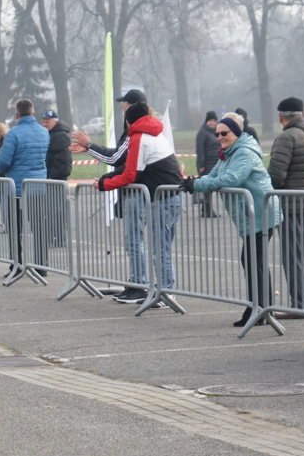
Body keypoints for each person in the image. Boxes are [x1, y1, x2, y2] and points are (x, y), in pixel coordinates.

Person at [182, 112, 282, 327]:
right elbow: (214, 175)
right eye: (217, 134)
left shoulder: (243, 152)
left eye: (224, 133)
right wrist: (197, 181)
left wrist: (198, 186)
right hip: (251, 213)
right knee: (253, 261)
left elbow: (231, 179)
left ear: (235, 133)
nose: (219, 137)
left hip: (261, 212)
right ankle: (260, 308)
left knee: (253, 260)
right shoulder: (228, 153)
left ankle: (260, 309)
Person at [95, 103, 182, 308]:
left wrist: (103, 183)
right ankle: (162, 290)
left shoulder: (138, 138)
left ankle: (167, 293)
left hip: (163, 199)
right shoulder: (154, 134)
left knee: (160, 250)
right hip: (166, 197)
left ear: (127, 121)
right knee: (160, 249)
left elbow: (131, 174)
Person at [70, 89, 147, 300]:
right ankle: (135, 283)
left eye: (125, 104)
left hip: (137, 192)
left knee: (135, 241)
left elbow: (116, 159)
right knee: (132, 241)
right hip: (132, 191)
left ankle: (140, 285)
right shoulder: (133, 131)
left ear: (132, 106)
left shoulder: (137, 132)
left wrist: (89, 146)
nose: (122, 107)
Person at [267, 96, 304, 318]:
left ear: (281, 117)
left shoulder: (286, 137)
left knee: (293, 256)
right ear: (303, 114)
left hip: (292, 206)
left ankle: (299, 305)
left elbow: (276, 175)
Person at [0, 98, 50, 275]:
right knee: (38, 227)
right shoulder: (44, 133)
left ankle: (16, 265)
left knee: (14, 229)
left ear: (17, 114)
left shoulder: (13, 134)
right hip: (38, 187)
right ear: (33, 113)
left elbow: (2, 163)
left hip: (16, 189)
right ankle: (42, 266)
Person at [41, 110, 72, 248]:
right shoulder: (50, 134)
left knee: (56, 209)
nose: (45, 124)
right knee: (50, 209)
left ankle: (59, 238)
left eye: (47, 121)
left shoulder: (60, 136)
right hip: (51, 177)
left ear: (55, 121)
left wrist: (51, 176)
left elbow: (62, 160)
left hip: (56, 178)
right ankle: (53, 236)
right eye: (43, 121)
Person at [195, 111, 221, 218]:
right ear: (206, 121)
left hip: (216, 163)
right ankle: (208, 210)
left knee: (209, 188)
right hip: (206, 164)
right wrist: (201, 165)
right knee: (207, 188)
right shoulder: (202, 133)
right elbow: (200, 150)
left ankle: (205, 209)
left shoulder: (216, 132)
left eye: (214, 121)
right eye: (210, 121)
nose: (213, 123)